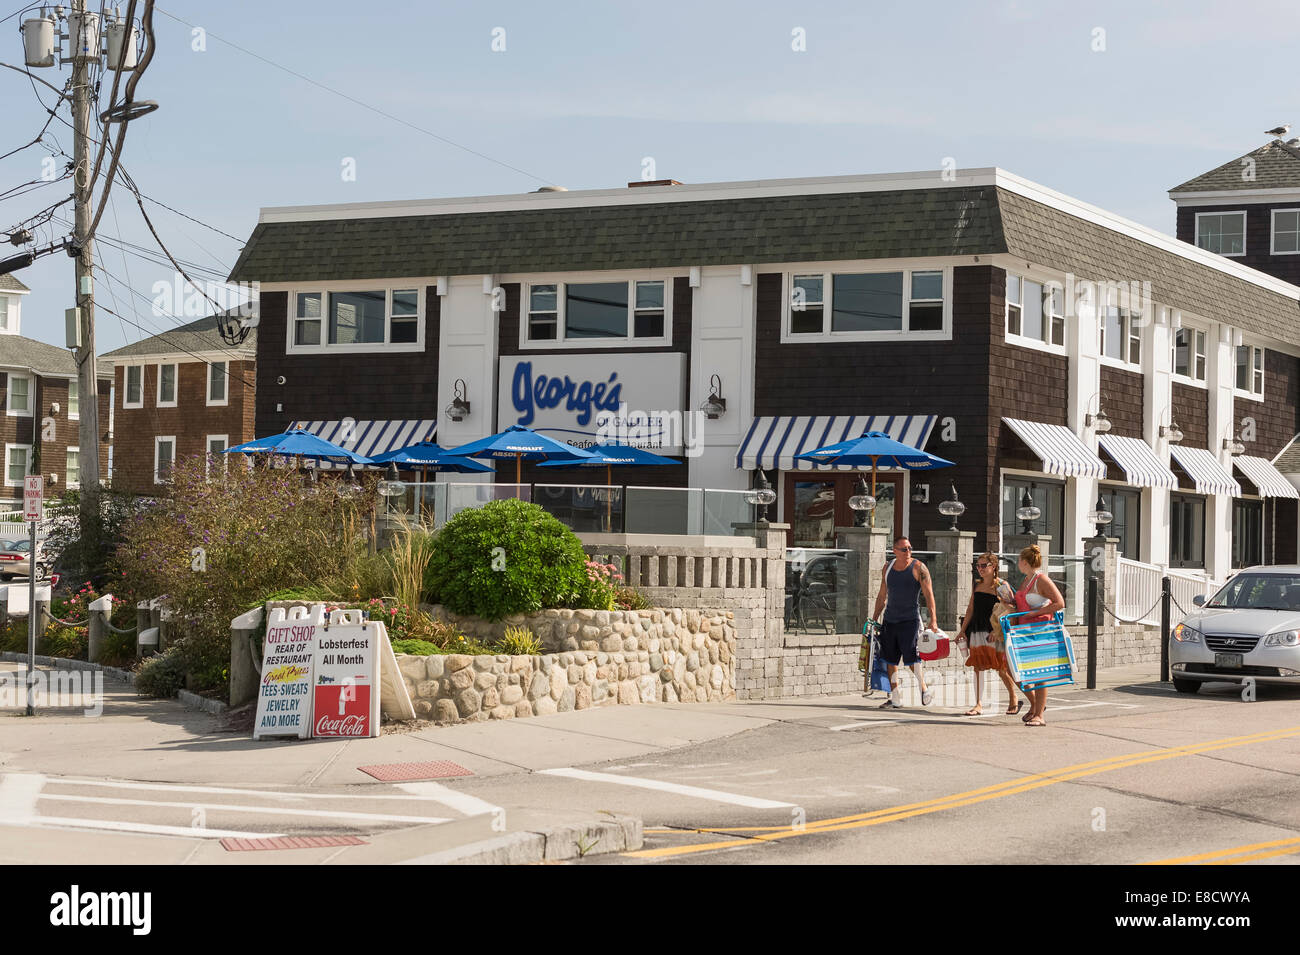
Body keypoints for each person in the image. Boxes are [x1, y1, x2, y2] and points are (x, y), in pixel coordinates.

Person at [870, 536, 941, 709]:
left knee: (912, 659)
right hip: (890, 620)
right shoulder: (887, 568)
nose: (908, 552)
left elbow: (929, 594)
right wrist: (874, 618)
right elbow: (882, 595)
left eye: (910, 548)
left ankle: (923, 689)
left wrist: (934, 620)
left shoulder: (918, 567)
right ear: (895, 551)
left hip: (910, 620)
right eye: (904, 549)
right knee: (890, 660)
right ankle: (896, 698)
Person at [955, 552, 1025, 716]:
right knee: (978, 667)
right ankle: (978, 704)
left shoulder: (1001, 585)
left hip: (994, 632)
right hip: (977, 629)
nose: (980, 569)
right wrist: (963, 630)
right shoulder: (977, 585)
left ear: (993, 567)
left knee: (1001, 668)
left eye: (984, 565)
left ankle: (1013, 697)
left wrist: (997, 630)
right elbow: (971, 608)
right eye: (978, 565)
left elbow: (1012, 609)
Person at [1006, 544, 1065, 727]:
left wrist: (1034, 614)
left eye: (1019, 560)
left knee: (1039, 673)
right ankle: (1034, 705)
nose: (1018, 563)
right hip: (1023, 630)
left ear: (1024, 562)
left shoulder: (1041, 580)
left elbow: (1059, 603)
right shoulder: (1026, 580)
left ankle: (1039, 714)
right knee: (1012, 667)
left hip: (1040, 630)